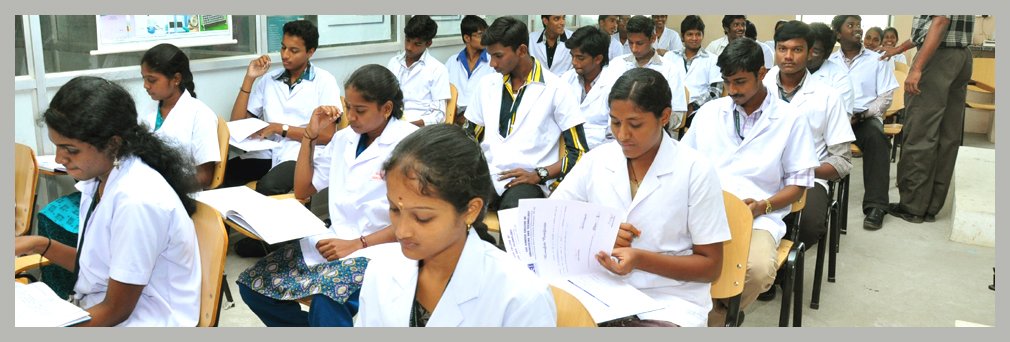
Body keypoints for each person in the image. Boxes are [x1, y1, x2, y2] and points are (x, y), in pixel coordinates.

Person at [235, 65, 418, 327]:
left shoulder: (409, 145)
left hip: (383, 249)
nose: (351, 117)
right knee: (253, 284)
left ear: (387, 108)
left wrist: (358, 244)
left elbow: (412, 221)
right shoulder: (345, 139)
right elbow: (303, 189)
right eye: (348, 107)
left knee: (327, 299)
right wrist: (309, 136)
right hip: (335, 240)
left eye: (360, 110)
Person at [15, 76, 202, 326]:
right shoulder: (102, 177)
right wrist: (39, 244)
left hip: (143, 321)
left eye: (70, 150)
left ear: (113, 143)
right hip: (103, 307)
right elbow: (96, 267)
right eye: (57, 147)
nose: (60, 158)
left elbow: (116, 310)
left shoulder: (137, 201)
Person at [551, 67, 730, 327]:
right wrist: (599, 233)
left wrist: (640, 259)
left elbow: (710, 267)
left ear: (664, 117)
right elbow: (552, 218)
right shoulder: (597, 160)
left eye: (635, 124)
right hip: (597, 291)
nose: (622, 134)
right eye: (615, 122)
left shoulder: (695, 170)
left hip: (668, 300)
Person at [357, 124, 557, 327]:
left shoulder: (520, 298)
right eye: (394, 209)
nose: (401, 231)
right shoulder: (380, 270)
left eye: (422, 217)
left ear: (470, 211)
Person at [680, 38, 818, 327]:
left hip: (759, 215)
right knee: (669, 257)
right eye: (727, 82)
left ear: (762, 73)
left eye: (740, 81)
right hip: (703, 212)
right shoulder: (708, 114)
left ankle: (720, 314)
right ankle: (704, 312)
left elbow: (799, 186)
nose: (732, 90)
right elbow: (683, 165)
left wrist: (761, 206)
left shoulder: (790, 119)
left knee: (756, 269)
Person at [756, 22, 854, 301]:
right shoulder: (757, 87)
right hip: (759, 174)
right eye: (782, 49)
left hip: (810, 179)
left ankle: (777, 269)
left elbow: (842, 162)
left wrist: (801, 168)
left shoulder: (827, 96)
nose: (788, 56)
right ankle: (756, 269)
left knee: (809, 223)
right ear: (774, 51)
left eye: (797, 50)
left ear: (810, 52)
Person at [226, 19, 341, 257]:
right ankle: (232, 240)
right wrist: (250, 78)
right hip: (269, 151)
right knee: (225, 175)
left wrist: (281, 128)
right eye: (283, 47)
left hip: (302, 154)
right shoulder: (270, 80)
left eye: (294, 50)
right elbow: (238, 124)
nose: (285, 55)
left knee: (270, 186)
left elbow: (327, 135)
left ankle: (272, 242)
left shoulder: (324, 81)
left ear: (310, 52)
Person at [463, 16, 588, 212]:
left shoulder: (556, 89)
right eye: (490, 56)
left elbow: (579, 152)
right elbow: (470, 138)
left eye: (498, 56)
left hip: (529, 180)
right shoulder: (487, 85)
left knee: (514, 209)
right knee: (452, 200)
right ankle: (482, 242)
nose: (492, 64)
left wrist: (540, 174)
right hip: (489, 175)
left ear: (521, 50)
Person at [879, 16, 974, 224]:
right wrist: (900, 48)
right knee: (947, 135)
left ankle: (913, 206)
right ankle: (930, 206)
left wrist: (916, 67)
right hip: (961, 56)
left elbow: (940, 22)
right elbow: (929, 28)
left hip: (936, 56)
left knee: (920, 132)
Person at [828, 15, 898, 231]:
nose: (857, 29)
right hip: (835, 118)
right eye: (851, 26)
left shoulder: (878, 59)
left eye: (859, 25)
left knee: (877, 139)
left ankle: (876, 206)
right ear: (838, 34)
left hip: (863, 118)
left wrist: (864, 114)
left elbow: (885, 97)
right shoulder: (829, 62)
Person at [139, 43, 220, 189]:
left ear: (176, 79)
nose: (146, 86)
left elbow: (204, 177)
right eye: (143, 79)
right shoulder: (149, 110)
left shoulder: (200, 115)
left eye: (151, 80)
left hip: (180, 194)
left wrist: (163, 188)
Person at [612, 15, 688, 132]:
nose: (634, 48)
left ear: (653, 38)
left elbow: (678, 115)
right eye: (631, 43)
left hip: (655, 134)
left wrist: (649, 124)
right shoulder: (617, 65)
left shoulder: (669, 69)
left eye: (639, 43)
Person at [560, 25, 620, 149]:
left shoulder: (615, 84)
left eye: (580, 58)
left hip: (599, 154)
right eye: (572, 56)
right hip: (565, 149)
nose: (574, 62)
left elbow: (614, 136)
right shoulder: (566, 79)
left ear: (598, 59)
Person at [387, 15, 451, 127]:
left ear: (428, 44)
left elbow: (439, 115)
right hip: (392, 121)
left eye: (417, 44)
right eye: (407, 40)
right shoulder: (394, 63)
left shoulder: (437, 70)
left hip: (420, 129)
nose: (409, 47)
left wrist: (408, 125)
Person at [664, 15, 722, 129]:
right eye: (690, 34)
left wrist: (692, 107)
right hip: (671, 107)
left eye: (698, 34)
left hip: (698, 110)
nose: (694, 38)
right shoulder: (669, 56)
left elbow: (715, 93)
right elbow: (661, 85)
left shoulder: (713, 60)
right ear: (682, 36)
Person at [446, 15, 495, 122]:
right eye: (481, 35)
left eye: (486, 33)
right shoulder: (452, 61)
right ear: (467, 38)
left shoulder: (493, 62)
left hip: (480, 118)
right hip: (453, 117)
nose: (486, 38)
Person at [808, 22, 856, 115]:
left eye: (815, 51)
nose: (807, 55)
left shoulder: (840, 80)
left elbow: (841, 122)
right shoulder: (781, 71)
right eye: (803, 48)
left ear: (827, 53)